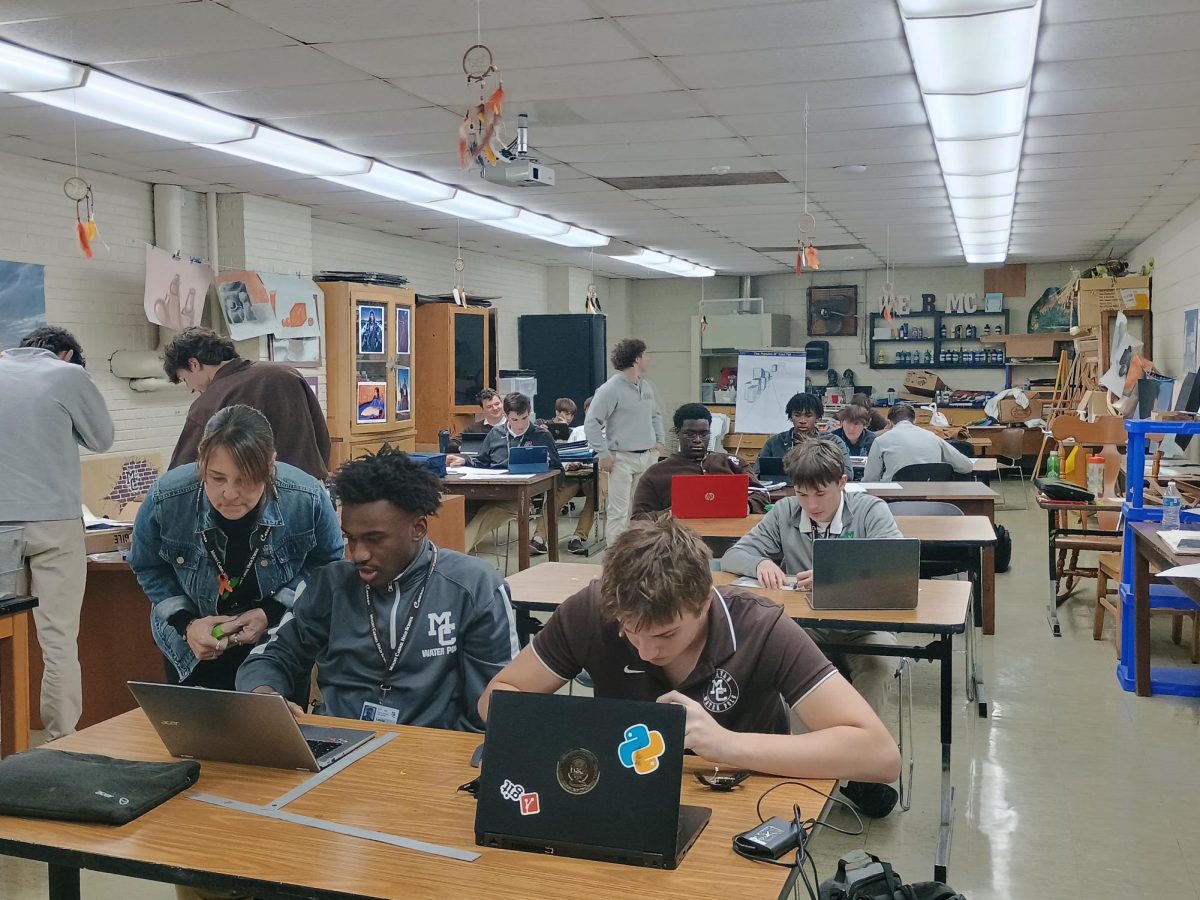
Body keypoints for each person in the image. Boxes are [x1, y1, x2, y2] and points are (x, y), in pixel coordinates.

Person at [478, 516, 900, 789]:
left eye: (665, 634)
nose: (645, 651)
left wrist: (726, 745)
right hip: (621, 789)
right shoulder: (592, 609)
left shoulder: (760, 626)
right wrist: (587, 730)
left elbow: (879, 756)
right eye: (630, 631)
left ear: (705, 600)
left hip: (745, 799)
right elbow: (496, 698)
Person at [238, 447, 518, 730]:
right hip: (339, 744)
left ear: (418, 529)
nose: (358, 554)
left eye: (374, 539)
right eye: (351, 539)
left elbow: (496, 705)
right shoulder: (329, 584)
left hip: (434, 755)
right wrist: (266, 696)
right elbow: (270, 657)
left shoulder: (473, 587)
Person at [719, 439, 906, 817]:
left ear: (841, 481)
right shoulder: (786, 511)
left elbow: (896, 566)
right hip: (806, 625)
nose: (812, 505)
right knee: (778, 663)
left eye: (820, 493)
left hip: (861, 625)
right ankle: (810, 761)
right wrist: (758, 565)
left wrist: (836, 577)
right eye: (802, 494)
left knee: (880, 664)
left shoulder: (870, 510)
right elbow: (734, 554)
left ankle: (856, 770)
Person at [130, 406, 344, 692]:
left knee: (276, 734)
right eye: (217, 478)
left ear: (270, 466)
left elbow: (326, 564)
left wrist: (273, 610)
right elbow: (147, 565)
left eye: (245, 480)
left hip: (276, 642)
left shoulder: (307, 497)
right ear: (201, 462)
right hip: (193, 646)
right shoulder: (166, 498)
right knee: (198, 733)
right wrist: (187, 624)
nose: (229, 494)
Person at [0, 326, 114, 739]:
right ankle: (60, 742)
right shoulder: (68, 375)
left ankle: (5, 742)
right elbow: (102, 438)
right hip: (55, 522)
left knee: (1, 638)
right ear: (66, 355)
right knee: (58, 640)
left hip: (0, 523)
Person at [164, 327, 331, 481]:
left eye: (184, 379)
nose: (191, 389)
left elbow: (181, 474)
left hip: (254, 500)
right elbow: (322, 438)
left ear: (194, 364)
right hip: (309, 489)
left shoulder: (208, 402)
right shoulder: (287, 373)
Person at [446, 392, 567, 555]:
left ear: (529, 412)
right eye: (514, 420)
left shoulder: (542, 436)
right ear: (506, 415)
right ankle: (445, 551)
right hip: (491, 489)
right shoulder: (495, 434)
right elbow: (482, 461)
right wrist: (464, 460)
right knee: (455, 506)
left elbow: (559, 471)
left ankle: (453, 555)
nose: (520, 424)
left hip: (519, 495)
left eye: (524, 418)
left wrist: (545, 468)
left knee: (486, 515)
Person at [584, 338, 665, 540]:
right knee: (618, 513)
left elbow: (655, 415)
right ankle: (615, 560)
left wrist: (660, 442)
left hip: (647, 456)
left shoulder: (646, 386)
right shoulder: (609, 389)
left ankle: (639, 554)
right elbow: (591, 422)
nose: (648, 359)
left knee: (642, 511)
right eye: (645, 354)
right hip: (621, 459)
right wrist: (603, 454)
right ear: (637, 358)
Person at [632, 403, 763, 517]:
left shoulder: (732, 463)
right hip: (680, 540)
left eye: (704, 434)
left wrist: (747, 506)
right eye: (690, 434)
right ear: (678, 433)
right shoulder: (657, 473)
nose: (698, 440)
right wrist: (671, 513)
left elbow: (762, 494)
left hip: (731, 537)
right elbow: (638, 518)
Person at [862, 403, 973, 482]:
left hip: (895, 500)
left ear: (890, 423)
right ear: (915, 421)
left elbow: (870, 479)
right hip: (933, 498)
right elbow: (966, 466)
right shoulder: (933, 437)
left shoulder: (881, 441)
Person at [759, 392, 852, 477]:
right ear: (791, 417)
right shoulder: (774, 443)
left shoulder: (833, 441)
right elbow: (757, 474)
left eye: (808, 416)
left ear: (817, 418)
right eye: (797, 415)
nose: (802, 421)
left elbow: (848, 473)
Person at [448, 388, 506, 452]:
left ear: (502, 403)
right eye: (489, 406)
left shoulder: (512, 426)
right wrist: (462, 448)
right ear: (483, 410)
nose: (495, 408)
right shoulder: (473, 429)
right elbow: (451, 444)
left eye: (497, 404)